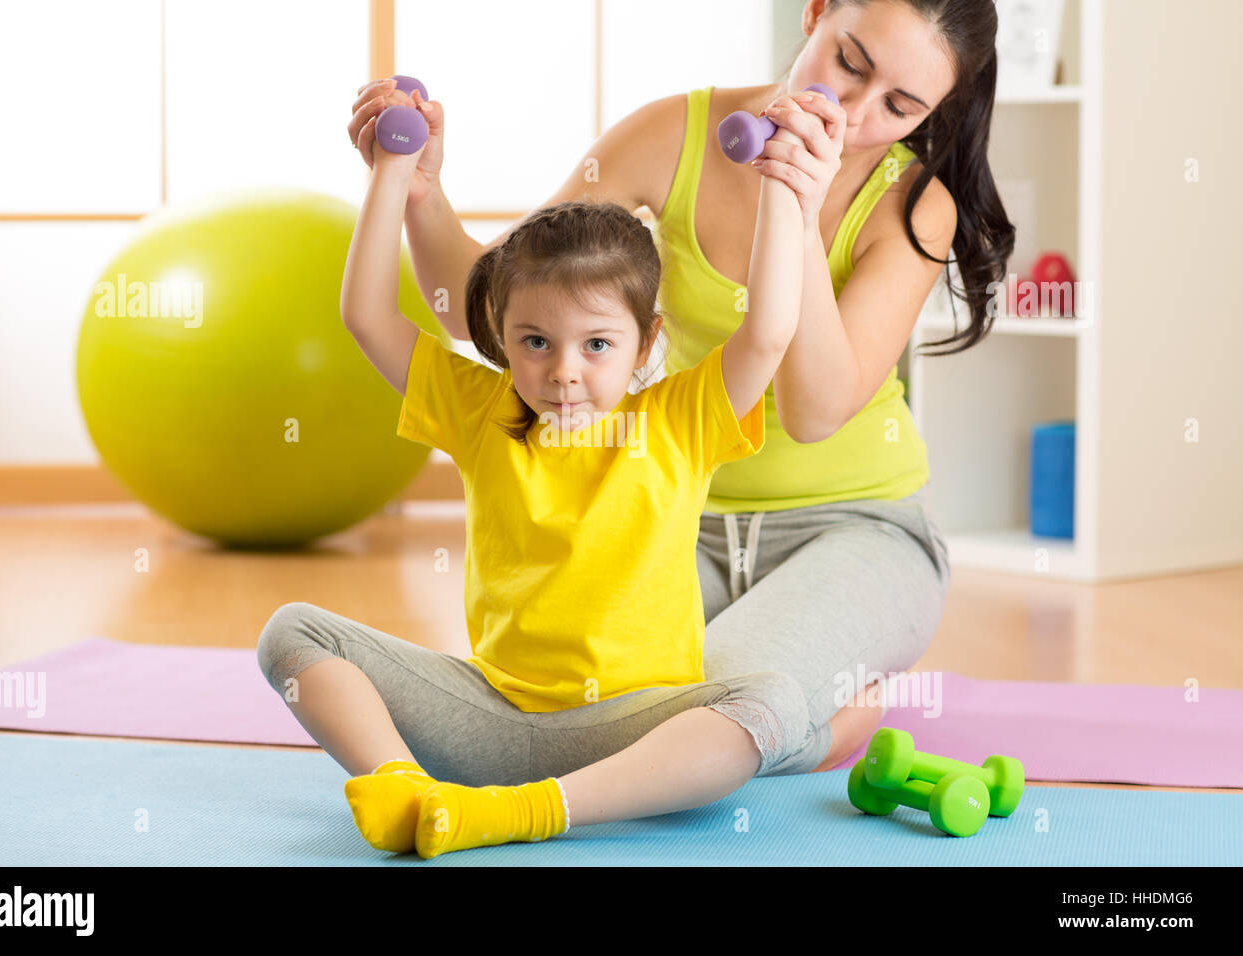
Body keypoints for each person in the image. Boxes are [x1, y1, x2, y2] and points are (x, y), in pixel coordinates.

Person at [347, 0, 1015, 781]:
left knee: (709, 719)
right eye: (850, 62)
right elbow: (488, 303)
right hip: (675, 516)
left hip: (855, 526)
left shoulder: (914, 204)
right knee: (589, 709)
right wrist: (421, 191)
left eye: (900, 107)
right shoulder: (673, 134)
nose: (856, 112)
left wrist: (797, 216)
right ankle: (797, 702)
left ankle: (839, 726)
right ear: (817, 14)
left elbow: (813, 412)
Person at [257, 62, 817, 856]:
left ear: (646, 343)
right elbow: (365, 313)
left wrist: (784, 188)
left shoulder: (684, 417)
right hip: (489, 724)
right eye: (534, 343)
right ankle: (404, 787)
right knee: (291, 633)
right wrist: (393, 172)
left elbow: (767, 331)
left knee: (773, 704)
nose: (563, 372)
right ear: (502, 338)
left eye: (597, 345)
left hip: (632, 735)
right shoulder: (480, 407)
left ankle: (525, 813)